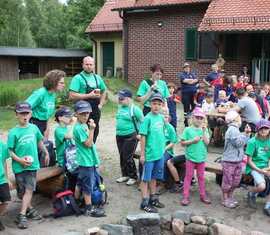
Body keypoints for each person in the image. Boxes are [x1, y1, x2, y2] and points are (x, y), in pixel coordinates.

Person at [7, 102, 49, 229]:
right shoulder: (13, 132)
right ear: (16, 115)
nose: (24, 116)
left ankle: (22, 215)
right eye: (21, 113)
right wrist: (20, 160)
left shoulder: (34, 128)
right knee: (22, 192)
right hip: (19, 167)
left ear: (30, 114)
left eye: (27, 113)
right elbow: (10, 151)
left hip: (32, 166)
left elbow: (39, 141)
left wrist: (46, 152)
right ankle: (29, 209)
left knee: (29, 190)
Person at [73, 100, 105, 217]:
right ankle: (88, 208)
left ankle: (76, 202)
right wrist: (92, 129)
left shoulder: (82, 125)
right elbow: (88, 144)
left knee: (80, 182)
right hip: (86, 162)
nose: (85, 116)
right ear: (76, 114)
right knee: (87, 186)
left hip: (86, 160)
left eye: (87, 113)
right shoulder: (79, 128)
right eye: (82, 114)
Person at [69, 56, 107, 143]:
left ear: (94, 65)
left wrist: (101, 104)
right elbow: (71, 95)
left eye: (91, 64)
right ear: (82, 65)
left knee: (95, 128)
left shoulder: (97, 78)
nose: (89, 66)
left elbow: (104, 90)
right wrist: (88, 95)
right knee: (83, 129)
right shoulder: (77, 78)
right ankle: (82, 147)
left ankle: (91, 146)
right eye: (87, 64)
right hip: (82, 110)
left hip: (95, 109)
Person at [139, 93, 166, 213]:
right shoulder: (147, 119)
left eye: (159, 104)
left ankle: (153, 198)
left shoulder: (161, 118)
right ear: (150, 104)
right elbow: (143, 137)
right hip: (149, 155)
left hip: (159, 154)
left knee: (154, 177)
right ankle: (144, 202)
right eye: (154, 104)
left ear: (162, 106)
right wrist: (143, 155)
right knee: (145, 178)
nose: (156, 106)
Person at [180, 107, 211, 206]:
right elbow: (182, 143)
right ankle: (185, 196)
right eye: (197, 117)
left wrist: (204, 132)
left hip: (201, 158)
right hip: (190, 158)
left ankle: (203, 195)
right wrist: (192, 141)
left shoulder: (204, 130)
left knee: (201, 177)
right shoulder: (187, 130)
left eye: (201, 118)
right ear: (192, 118)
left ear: (203, 120)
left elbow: (207, 143)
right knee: (188, 177)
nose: (199, 120)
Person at [221, 111, 251, 208]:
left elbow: (238, 139)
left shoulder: (235, 129)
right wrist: (246, 135)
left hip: (236, 160)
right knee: (228, 180)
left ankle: (229, 196)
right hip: (230, 160)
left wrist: (245, 134)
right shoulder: (233, 129)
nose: (241, 119)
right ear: (235, 119)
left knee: (235, 180)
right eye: (239, 117)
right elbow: (238, 143)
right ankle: (225, 199)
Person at [115, 89, 144, 186]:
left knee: (128, 156)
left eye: (121, 98)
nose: (119, 100)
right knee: (122, 155)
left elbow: (143, 122)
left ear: (129, 99)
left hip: (131, 135)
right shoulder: (120, 108)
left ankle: (133, 176)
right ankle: (125, 174)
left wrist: (140, 133)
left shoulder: (134, 109)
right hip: (119, 135)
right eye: (119, 98)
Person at [26, 70, 66, 137]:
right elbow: (24, 108)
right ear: (54, 82)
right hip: (34, 123)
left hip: (44, 123)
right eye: (61, 83)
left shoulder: (53, 94)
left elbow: (47, 114)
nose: (64, 85)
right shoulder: (40, 93)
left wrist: (47, 129)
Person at [245, 119, 270, 216]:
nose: (264, 130)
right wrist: (261, 171)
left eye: (266, 128)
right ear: (257, 130)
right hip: (254, 167)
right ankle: (251, 193)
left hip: (266, 167)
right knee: (261, 186)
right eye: (261, 128)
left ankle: (268, 205)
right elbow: (249, 161)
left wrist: (268, 168)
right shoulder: (252, 142)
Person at [54, 106, 77, 191]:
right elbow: (69, 136)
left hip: (72, 158)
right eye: (67, 116)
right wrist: (73, 124)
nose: (70, 118)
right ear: (60, 118)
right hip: (64, 160)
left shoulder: (67, 128)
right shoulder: (58, 130)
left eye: (70, 116)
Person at [0, 138, 11, 231]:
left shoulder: (2, 146)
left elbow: (4, 162)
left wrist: (7, 178)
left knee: (6, 201)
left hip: (1, 179)